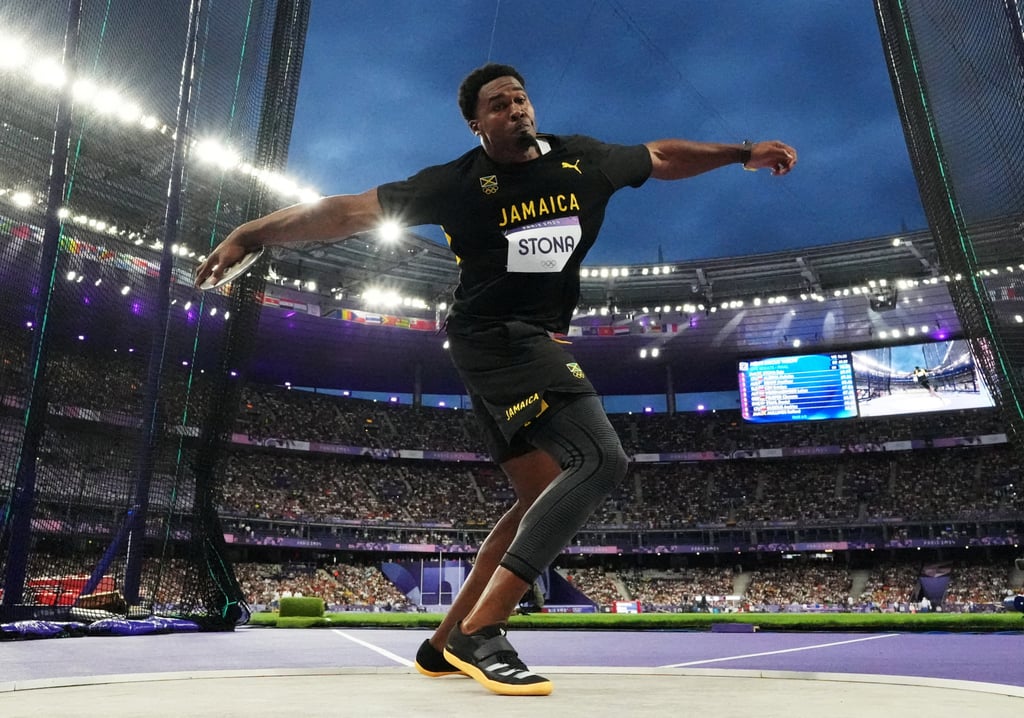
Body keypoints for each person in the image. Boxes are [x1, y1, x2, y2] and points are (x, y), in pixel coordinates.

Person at [195, 62, 797, 696]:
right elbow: (347, 212)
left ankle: (443, 644)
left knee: (538, 497)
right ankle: (487, 630)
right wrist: (250, 231)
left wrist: (739, 153)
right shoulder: (456, 183)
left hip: (520, 343)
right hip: (499, 339)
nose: (516, 107)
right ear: (475, 123)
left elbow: (660, 155)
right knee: (600, 459)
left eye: (521, 97)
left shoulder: (585, 161)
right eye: (498, 103)